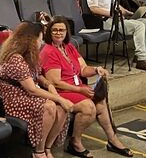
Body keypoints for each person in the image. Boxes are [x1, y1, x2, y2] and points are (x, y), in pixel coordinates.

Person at [40, 18, 132, 157]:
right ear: (49, 32)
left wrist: (96, 70)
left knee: (100, 102)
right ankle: (75, 142)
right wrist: (80, 90)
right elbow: (55, 82)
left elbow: (82, 69)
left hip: (77, 87)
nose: (58, 33)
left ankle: (112, 139)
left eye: (62, 30)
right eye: (55, 30)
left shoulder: (69, 47)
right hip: (62, 91)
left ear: (67, 32)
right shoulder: (49, 51)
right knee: (88, 107)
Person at [0, 21, 71, 158]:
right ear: (31, 40)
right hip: (13, 98)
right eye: (40, 39)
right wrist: (59, 97)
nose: (41, 43)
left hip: (27, 93)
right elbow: (31, 89)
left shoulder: (31, 55)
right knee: (49, 106)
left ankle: (48, 147)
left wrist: (49, 85)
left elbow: (37, 76)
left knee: (61, 108)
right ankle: (39, 151)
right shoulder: (15, 58)